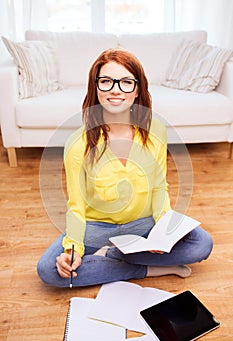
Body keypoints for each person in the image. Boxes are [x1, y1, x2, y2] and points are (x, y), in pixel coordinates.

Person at [37, 48, 213, 288]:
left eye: (126, 82)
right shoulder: (78, 144)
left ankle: (113, 257)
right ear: (95, 87)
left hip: (142, 224)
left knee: (201, 243)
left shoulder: (156, 130)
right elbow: (76, 208)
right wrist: (73, 249)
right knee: (49, 269)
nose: (116, 90)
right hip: (96, 228)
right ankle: (146, 268)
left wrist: (162, 227)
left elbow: (160, 186)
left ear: (138, 89)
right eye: (106, 81)